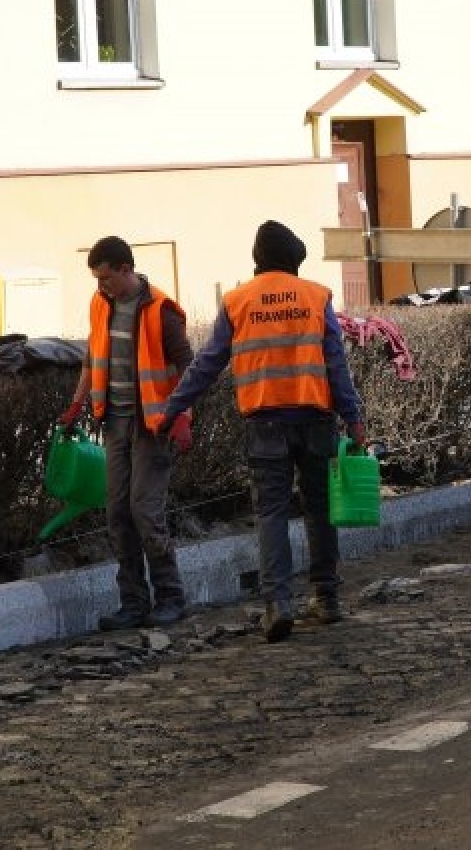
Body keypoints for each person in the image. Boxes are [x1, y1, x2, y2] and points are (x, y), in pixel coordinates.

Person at [156, 221, 367, 644]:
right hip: (315, 417)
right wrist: (355, 415)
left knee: (270, 512)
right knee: (319, 508)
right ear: (292, 259)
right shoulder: (315, 296)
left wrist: (174, 407)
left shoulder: (238, 301)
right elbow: (335, 363)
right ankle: (326, 598)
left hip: (264, 421)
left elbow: (207, 364)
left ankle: (278, 603)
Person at [59, 236, 195, 631]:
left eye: (105, 277)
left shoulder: (161, 311)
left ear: (125, 269)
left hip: (153, 427)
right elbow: (92, 357)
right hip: (114, 424)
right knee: (117, 513)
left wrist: (182, 415)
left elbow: (189, 367)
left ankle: (172, 598)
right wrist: (76, 403)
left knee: (145, 512)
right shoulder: (100, 304)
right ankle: (133, 603)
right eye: (96, 279)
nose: (101, 285)